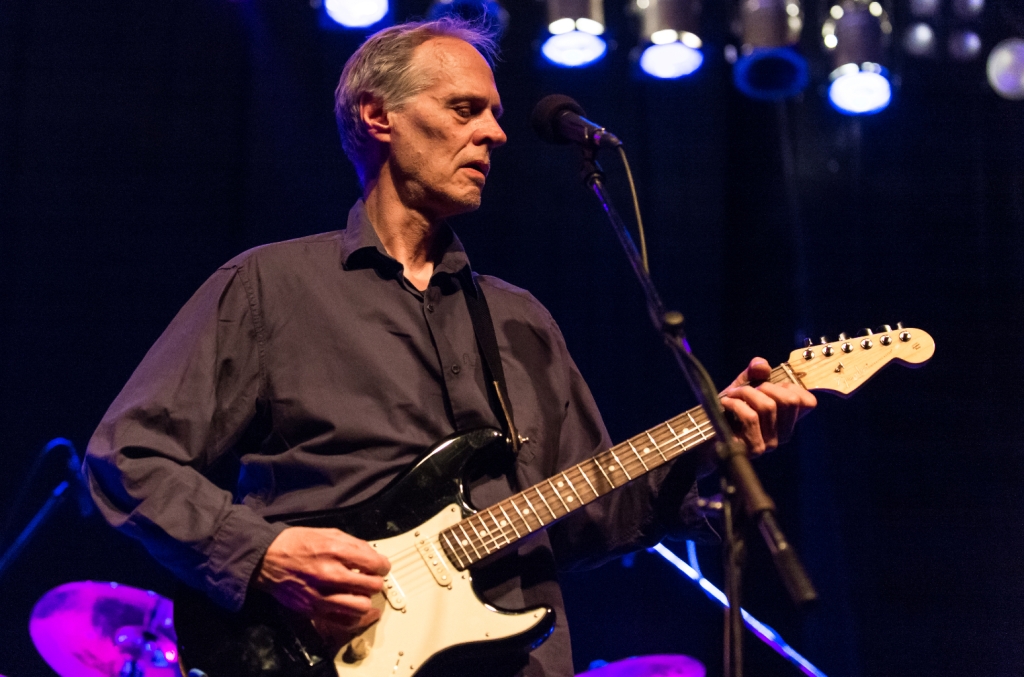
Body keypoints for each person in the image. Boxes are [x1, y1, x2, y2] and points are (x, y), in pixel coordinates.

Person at [84, 17, 816, 677]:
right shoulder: (269, 288)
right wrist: (265, 555)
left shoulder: (520, 320)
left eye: (496, 115)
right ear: (378, 117)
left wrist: (712, 459)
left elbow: (592, 518)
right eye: (465, 110)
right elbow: (129, 457)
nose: (495, 134)